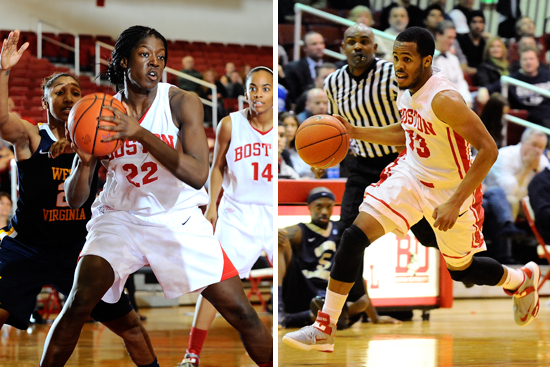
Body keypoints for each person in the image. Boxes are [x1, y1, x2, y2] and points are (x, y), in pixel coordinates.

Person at [283, 26, 540, 353]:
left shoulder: (444, 99)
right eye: (396, 58)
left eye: (407, 59)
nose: (399, 66)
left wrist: (453, 202)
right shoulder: (405, 89)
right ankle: (324, 326)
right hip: (411, 173)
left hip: (451, 188)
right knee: (352, 235)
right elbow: (405, 133)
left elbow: (488, 149)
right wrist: (354, 131)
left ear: (427, 61)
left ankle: (521, 279)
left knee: (463, 271)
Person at [38, 26, 273, 367]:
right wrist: (86, 164)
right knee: (78, 302)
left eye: (160, 57)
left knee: (241, 312)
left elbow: (196, 176)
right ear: (123, 61)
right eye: (145, 54)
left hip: (177, 217)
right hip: (120, 219)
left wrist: (139, 133)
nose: (155, 63)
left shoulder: (181, 101)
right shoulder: (98, 111)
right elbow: (76, 200)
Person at [0, 30, 159, 367]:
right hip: (26, 245)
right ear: (45, 102)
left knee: (130, 325)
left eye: (76, 91)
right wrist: (4, 71)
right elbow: (2, 121)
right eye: (60, 92)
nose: (70, 96)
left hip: (78, 247)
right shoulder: (31, 136)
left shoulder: (99, 139)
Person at [177, 66, 273, 367]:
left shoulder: (285, 127)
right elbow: (217, 166)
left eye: (266, 88)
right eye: (253, 87)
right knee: (215, 284)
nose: (258, 93)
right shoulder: (229, 124)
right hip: (237, 211)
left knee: (290, 271)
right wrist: (212, 206)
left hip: (272, 211)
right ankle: (192, 353)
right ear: (244, 91)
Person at [278, 187, 400, 330]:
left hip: (333, 291)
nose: (324, 211)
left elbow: (355, 272)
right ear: (309, 207)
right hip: (304, 290)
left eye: (329, 206)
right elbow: (281, 234)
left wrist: (376, 318)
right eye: (319, 206)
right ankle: (281, 313)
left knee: (362, 300)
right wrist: (275, 233)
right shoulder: (299, 230)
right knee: (281, 242)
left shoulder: (344, 231)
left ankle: (309, 318)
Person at [508, 46, 550, 129]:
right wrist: (484, 91)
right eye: (525, 59)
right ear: (520, 62)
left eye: (531, 59)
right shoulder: (511, 80)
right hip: (529, 122)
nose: (528, 62)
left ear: (537, 61)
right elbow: (489, 89)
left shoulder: (548, 75)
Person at [433, 21, 473, 107]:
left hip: (457, 102)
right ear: (438, 35)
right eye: (449, 37)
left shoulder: (454, 59)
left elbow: (461, 82)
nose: (452, 42)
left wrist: (467, 100)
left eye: (453, 38)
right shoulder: (428, 58)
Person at [284, 32, 325, 106]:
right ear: (304, 48)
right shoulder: (293, 68)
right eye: (314, 44)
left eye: (321, 43)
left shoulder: (331, 67)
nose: (319, 47)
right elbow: (294, 97)